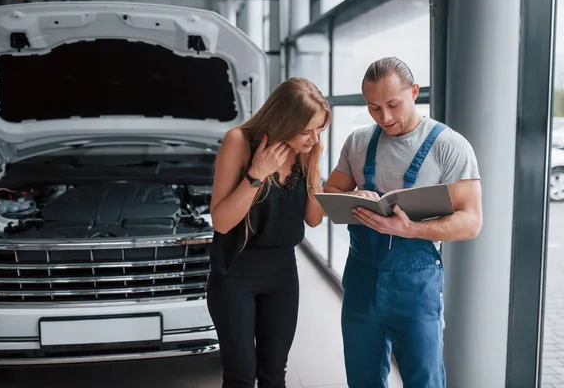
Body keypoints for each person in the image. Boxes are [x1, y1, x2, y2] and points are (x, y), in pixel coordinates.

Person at [324, 57, 483, 388]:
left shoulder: (449, 146)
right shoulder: (357, 142)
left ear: (414, 92)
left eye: (392, 104)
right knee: (362, 376)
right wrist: (356, 194)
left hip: (416, 282)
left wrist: (412, 229)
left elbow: (471, 221)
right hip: (361, 276)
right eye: (373, 108)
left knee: (423, 378)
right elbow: (331, 191)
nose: (384, 117)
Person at [207, 77, 329, 388]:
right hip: (235, 274)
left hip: (282, 273)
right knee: (241, 378)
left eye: (320, 130)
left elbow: (314, 219)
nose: (314, 139)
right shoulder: (239, 141)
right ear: (284, 121)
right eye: (306, 131)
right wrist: (255, 175)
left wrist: (313, 167)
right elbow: (221, 222)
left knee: (275, 375)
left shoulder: (305, 152)